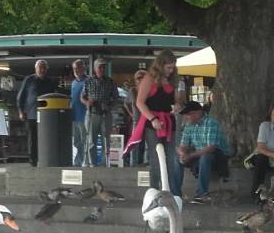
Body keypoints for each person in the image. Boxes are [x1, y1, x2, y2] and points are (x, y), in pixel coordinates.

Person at [127, 50, 185, 193]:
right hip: (153, 123)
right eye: (168, 68)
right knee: (156, 159)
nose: (171, 71)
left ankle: (172, 192)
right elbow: (140, 102)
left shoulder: (173, 80)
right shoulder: (149, 79)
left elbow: (178, 100)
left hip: (168, 121)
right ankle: (154, 191)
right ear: (160, 65)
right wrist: (152, 119)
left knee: (171, 159)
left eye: (173, 67)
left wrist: (178, 105)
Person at [175, 101, 231, 198]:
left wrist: (191, 156)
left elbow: (211, 148)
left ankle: (201, 193)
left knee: (205, 157)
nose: (186, 118)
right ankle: (175, 194)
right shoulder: (188, 125)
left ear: (197, 113)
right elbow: (183, 145)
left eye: (188, 115)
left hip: (217, 156)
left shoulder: (211, 123)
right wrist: (182, 154)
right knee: (177, 158)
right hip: (198, 154)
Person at [16, 59, 56, 166]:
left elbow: (54, 96)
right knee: (32, 139)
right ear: (36, 68)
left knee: (45, 138)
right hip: (31, 115)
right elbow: (21, 97)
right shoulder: (29, 80)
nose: (42, 70)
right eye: (40, 67)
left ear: (46, 69)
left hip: (46, 116)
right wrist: (21, 111)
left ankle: (45, 159)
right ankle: (33, 161)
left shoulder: (50, 81)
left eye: (44, 68)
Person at [82, 59, 116, 168]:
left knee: (106, 141)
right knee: (91, 141)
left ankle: (104, 164)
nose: (102, 69)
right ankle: (92, 164)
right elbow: (82, 96)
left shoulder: (110, 81)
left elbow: (116, 97)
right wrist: (88, 102)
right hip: (92, 114)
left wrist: (109, 105)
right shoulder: (88, 81)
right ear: (95, 68)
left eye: (103, 67)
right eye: (100, 67)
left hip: (106, 114)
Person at [68, 59, 89, 166]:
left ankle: (85, 161)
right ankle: (78, 161)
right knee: (76, 141)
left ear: (84, 68)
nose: (76, 70)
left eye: (78, 67)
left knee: (85, 141)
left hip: (84, 116)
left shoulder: (88, 81)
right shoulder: (74, 83)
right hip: (74, 117)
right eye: (74, 68)